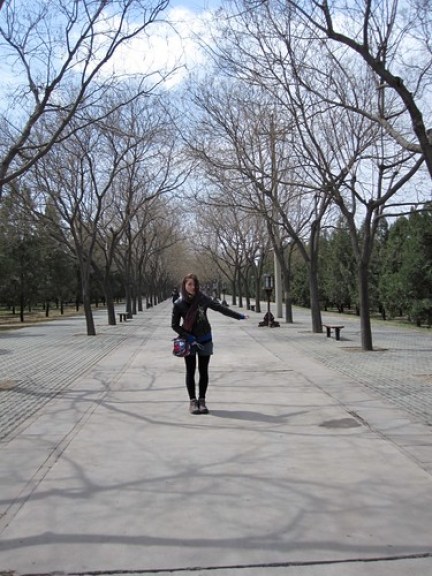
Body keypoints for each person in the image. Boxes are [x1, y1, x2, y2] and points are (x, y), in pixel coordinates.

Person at [172, 273, 248, 415]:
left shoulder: (203, 299)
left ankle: (202, 400)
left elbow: (220, 308)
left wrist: (239, 316)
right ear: (184, 285)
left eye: (194, 284)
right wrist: (188, 337)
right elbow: (174, 325)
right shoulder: (179, 303)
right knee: (190, 371)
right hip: (189, 342)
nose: (192, 287)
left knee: (203, 370)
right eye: (189, 284)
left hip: (205, 339)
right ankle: (193, 401)